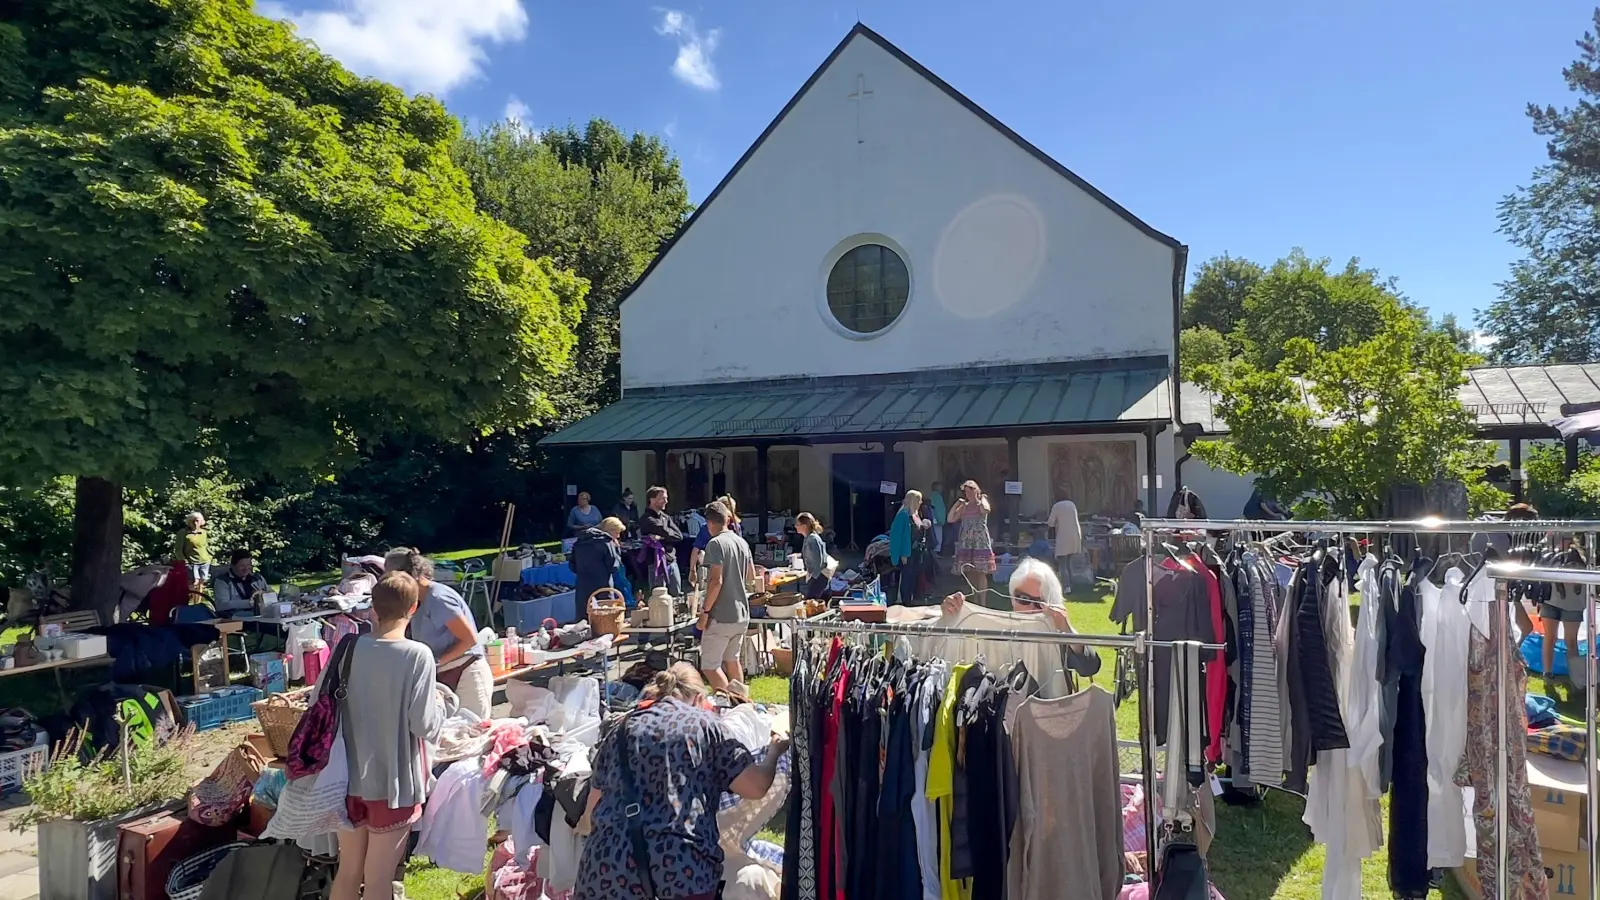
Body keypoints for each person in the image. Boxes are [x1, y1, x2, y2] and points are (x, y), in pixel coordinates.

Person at [575, 663, 789, 900]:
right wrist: (773, 753)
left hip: (607, 871)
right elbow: (755, 787)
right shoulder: (706, 726)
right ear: (699, 699)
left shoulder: (621, 730)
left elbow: (590, 813)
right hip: (681, 872)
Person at [328, 571, 443, 900]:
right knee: (378, 880)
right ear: (414, 608)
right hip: (394, 784)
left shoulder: (347, 649)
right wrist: (443, 708)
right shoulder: (417, 655)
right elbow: (423, 724)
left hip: (347, 778)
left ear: (372, 608)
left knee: (349, 871)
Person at [384, 549, 492, 717]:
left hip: (467, 674)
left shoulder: (438, 599)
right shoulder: (417, 601)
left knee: (474, 733)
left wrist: (436, 663)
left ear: (410, 575)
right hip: (446, 675)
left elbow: (469, 639)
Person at [941, 556, 1076, 636]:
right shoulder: (997, 628)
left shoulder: (1059, 629)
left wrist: (1068, 631)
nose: (1031, 608)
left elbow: (1089, 667)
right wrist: (949, 617)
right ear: (1012, 597)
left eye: (1040, 603)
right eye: (1024, 599)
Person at [698, 501, 754, 693]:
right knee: (732, 661)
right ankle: (742, 704)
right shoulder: (741, 541)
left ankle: (730, 702)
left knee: (710, 666)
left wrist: (705, 612)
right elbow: (751, 576)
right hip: (741, 613)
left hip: (721, 614)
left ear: (709, 522)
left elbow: (716, 581)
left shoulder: (715, 544)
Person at [571, 517, 626, 621]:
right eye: (617, 532)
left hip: (582, 582)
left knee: (583, 616)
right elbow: (613, 566)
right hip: (603, 583)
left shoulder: (580, 540)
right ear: (609, 530)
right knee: (606, 615)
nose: (618, 536)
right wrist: (617, 550)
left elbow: (572, 565)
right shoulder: (607, 543)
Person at [949, 480, 996, 595]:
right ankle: (974, 598)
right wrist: (956, 504)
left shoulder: (981, 505)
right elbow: (950, 519)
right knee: (969, 570)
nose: (968, 494)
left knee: (981, 572)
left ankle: (983, 601)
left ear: (976, 491)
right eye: (966, 492)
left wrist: (982, 498)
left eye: (971, 491)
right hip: (967, 541)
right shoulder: (964, 507)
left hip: (980, 541)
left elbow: (986, 510)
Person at [639, 486, 685, 596]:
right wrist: (666, 535)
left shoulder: (666, 517)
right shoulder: (647, 519)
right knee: (659, 596)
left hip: (671, 559)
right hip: (656, 562)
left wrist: (662, 537)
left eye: (666, 498)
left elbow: (679, 536)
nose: (666, 501)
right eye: (662, 498)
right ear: (652, 499)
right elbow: (666, 532)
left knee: (676, 593)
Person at [691, 495, 742, 586]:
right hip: (712, 566)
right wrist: (692, 570)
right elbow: (696, 549)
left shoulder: (735, 527)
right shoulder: (707, 527)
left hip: (728, 567)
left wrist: (692, 569)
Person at [889, 490, 926, 606]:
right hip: (907, 553)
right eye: (919, 499)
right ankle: (904, 602)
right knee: (906, 578)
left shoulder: (915, 515)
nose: (921, 502)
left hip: (916, 551)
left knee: (912, 577)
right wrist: (902, 554)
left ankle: (910, 600)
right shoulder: (902, 515)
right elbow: (896, 537)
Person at [1046, 492, 1083, 595]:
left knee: (1063, 564)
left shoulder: (1057, 506)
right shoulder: (1072, 504)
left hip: (1063, 537)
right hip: (1075, 536)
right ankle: (1071, 583)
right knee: (1069, 562)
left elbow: (1051, 522)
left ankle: (1066, 586)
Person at [212, 549, 269, 614]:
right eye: (242, 566)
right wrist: (251, 602)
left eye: (248, 565)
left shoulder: (258, 578)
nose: (246, 568)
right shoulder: (223, 581)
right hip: (235, 617)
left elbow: (270, 594)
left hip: (262, 614)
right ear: (232, 566)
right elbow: (221, 605)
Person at [796, 512, 830, 599]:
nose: (795, 526)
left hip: (819, 576)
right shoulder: (808, 537)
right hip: (817, 576)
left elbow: (819, 559)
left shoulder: (812, 538)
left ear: (804, 526)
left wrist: (813, 577)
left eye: (797, 524)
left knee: (811, 602)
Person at [178, 512, 211, 587]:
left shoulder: (203, 532)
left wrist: (210, 557)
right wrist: (184, 561)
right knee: (194, 582)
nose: (195, 523)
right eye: (193, 521)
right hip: (192, 562)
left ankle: (198, 598)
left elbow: (205, 546)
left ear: (201, 522)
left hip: (205, 561)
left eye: (197, 521)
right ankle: (191, 598)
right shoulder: (183, 533)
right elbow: (178, 550)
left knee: (202, 582)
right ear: (189, 522)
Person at [927, 482, 948, 555]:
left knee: (936, 536)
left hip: (937, 520)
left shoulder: (933, 496)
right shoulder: (937, 496)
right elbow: (936, 509)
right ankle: (935, 554)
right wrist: (938, 519)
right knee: (937, 537)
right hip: (937, 521)